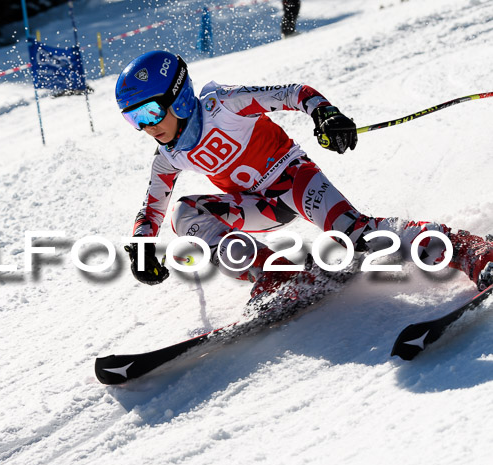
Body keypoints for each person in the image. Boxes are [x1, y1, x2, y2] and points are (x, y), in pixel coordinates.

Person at [114, 50, 493, 298]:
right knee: (185, 213)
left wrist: (324, 113)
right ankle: (278, 275)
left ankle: (472, 251)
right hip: (257, 205)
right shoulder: (168, 155)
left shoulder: (223, 104)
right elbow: (152, 208)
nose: (146, 127)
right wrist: (142, 247)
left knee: (357, 234)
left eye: (148, 113)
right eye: (134, 119)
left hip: (292, 179)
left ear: (177, 97)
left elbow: (294, 92)